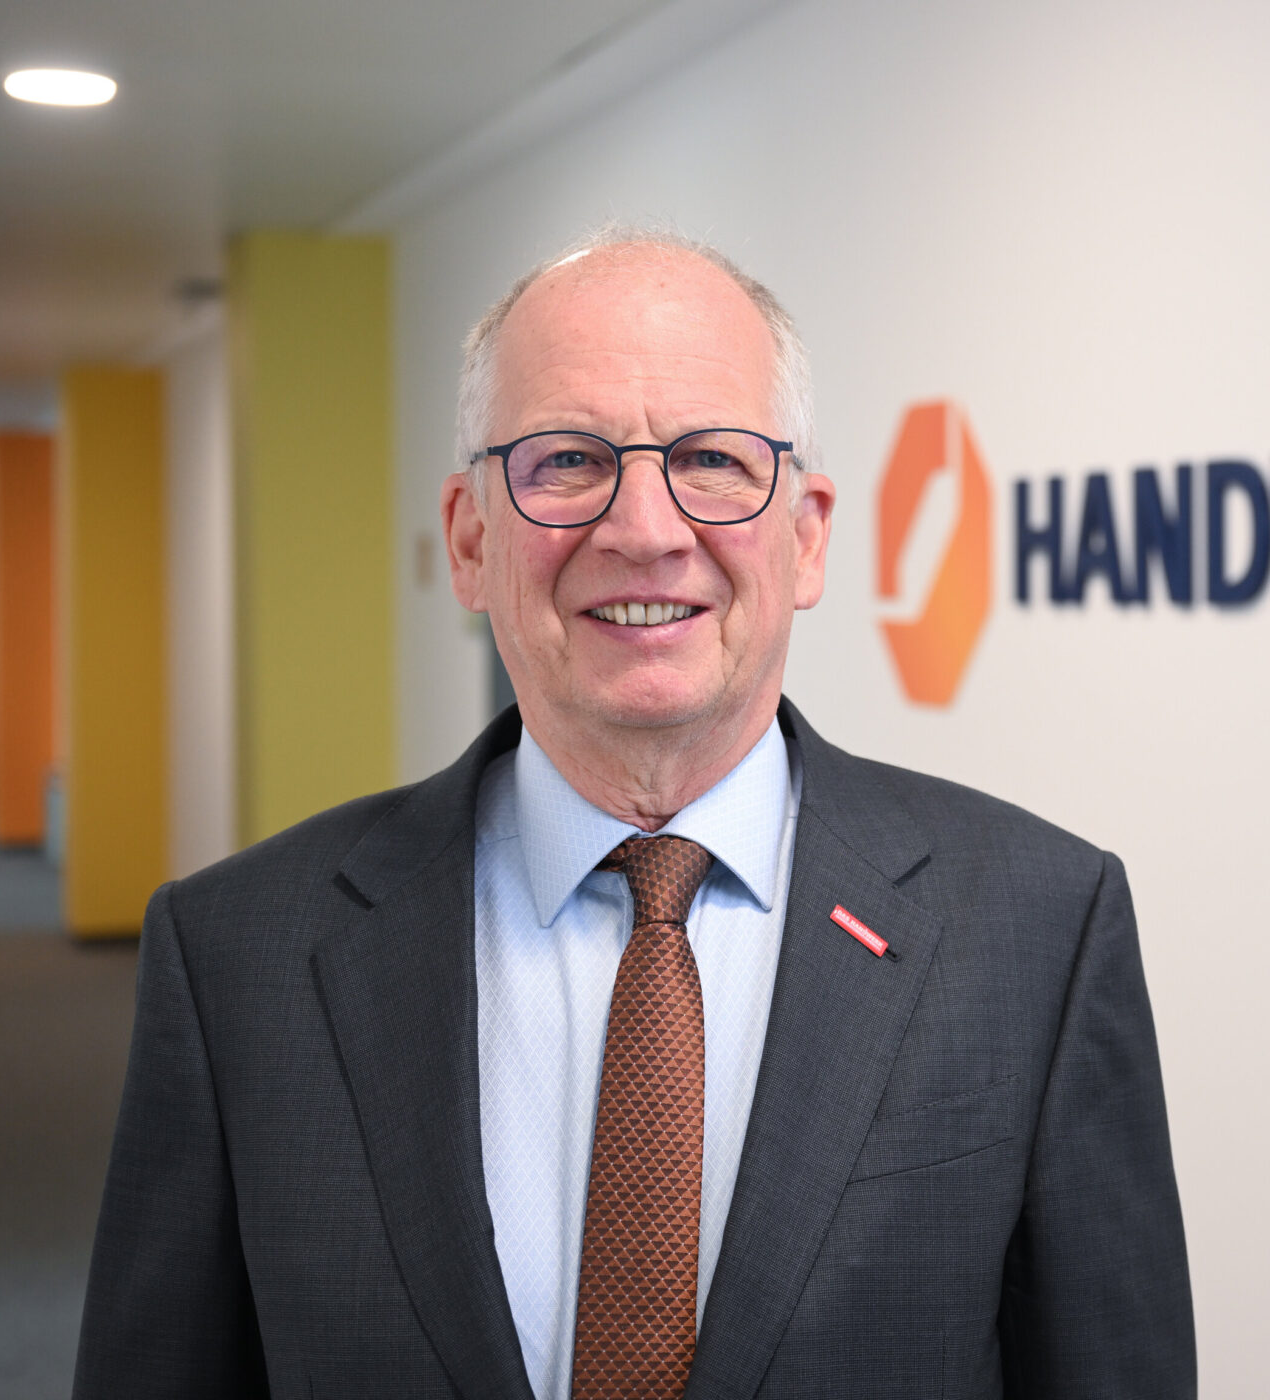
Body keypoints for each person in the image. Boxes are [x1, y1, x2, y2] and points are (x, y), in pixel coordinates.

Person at [74, 230, 1194, 1399]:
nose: (645, 527)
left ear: (806, 534)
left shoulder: (1037, 927)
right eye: (567, 460)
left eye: (712, 458)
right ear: (470, 537)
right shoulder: (237, 953)